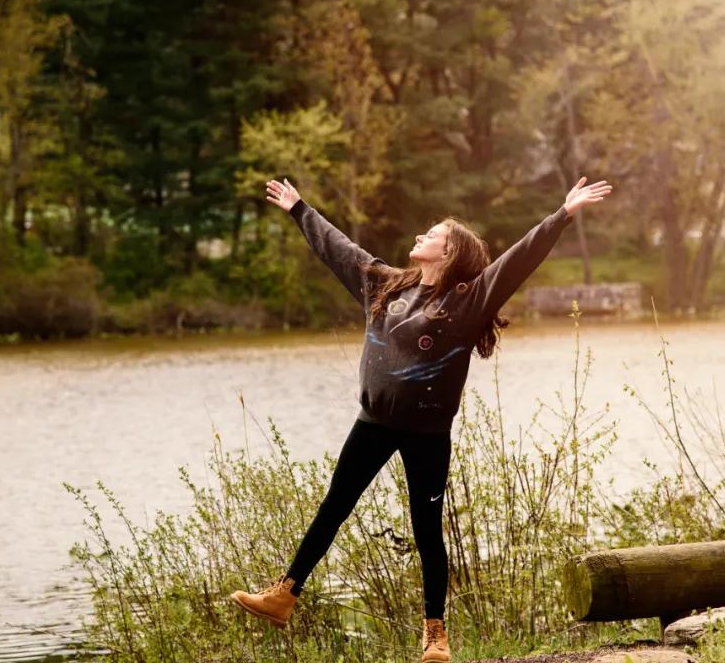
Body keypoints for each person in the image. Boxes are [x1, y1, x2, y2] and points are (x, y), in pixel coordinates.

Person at [230, 175, 613, 662]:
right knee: (334, 506)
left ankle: (436, 636)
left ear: (449, 252)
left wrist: (562, 215)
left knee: (426, 529)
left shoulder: (468, 302)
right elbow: (340, 249)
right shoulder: (385, 286)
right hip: (373, 423)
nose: (419, 238)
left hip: (427, 433)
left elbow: (517, 260)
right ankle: (283, 596)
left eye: (430, 235)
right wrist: (300, 209)